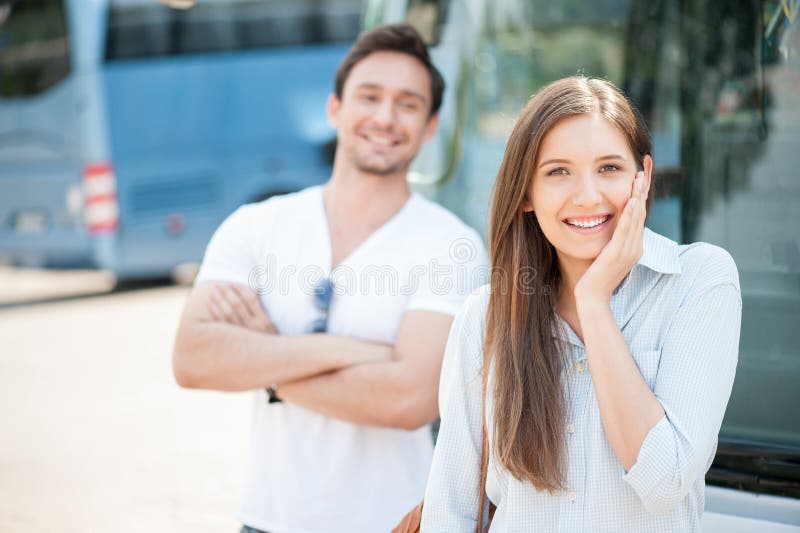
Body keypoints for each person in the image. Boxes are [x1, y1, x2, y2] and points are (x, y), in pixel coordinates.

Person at [171, 23, 487, 533]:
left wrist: (264, 360)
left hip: (394, 521)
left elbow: (408, 400)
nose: (385, 117)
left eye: (408, 104)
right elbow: (192, 359)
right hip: (267, 520)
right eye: (369, 96)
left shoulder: (451, 244)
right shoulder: (259, 224)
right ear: (334, 108)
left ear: (430, 126)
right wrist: (354, 351)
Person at [421, 76, 741, 532]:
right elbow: (448, 509)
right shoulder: (485, 316)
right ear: (527, 193)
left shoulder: (699, 282)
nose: (588, 195)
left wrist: (594, 302)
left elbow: (665, 482)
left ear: (643, 177)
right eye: (558, 171)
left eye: (609, 168)